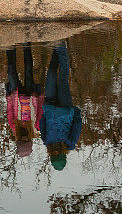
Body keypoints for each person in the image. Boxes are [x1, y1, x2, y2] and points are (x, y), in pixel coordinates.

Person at [40, 42, 82, 171]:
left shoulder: (47, 141)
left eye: (55, 156)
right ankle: (61, 47)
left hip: (50, 106)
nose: (57, 153)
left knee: (51, 74)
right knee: (63, 77)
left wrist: (44, 112)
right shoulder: (69, 143)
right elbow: (77, 126)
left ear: (52, 156)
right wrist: (75, 112)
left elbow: (42, 124)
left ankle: (55, 48)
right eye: (60, 156)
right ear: (64, 156)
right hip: (65, 107)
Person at [5, 43, 43, 158]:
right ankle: (27, 46)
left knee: (11, 71)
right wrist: (39, 97)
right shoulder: (36, 128)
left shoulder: (14, 127)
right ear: (29, 141)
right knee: (28, 70)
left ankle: (11, 46)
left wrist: (9, 97)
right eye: (27, 141)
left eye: (22, 141)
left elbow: (10, 111)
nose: (24, 138)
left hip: (16, 96)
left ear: (19, 141)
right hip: (31, 95)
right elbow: (40, 110)